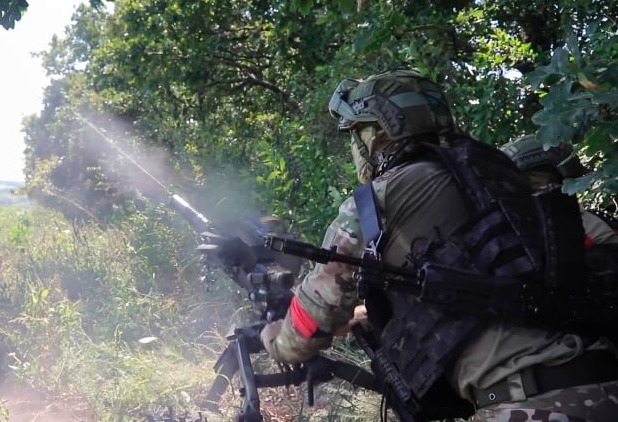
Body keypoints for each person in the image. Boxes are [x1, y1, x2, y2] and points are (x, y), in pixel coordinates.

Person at [260, 70, 618, 421]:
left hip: (532, 404)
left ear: (376, 133)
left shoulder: (379, 200)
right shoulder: (498, 176)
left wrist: (276, 339)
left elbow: (318, 310)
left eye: (356, 133)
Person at [499, 134, 618, 247]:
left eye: (536, 183)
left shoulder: (586, 224)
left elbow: (609, 249)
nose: (535, 191)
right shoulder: (511, 227)